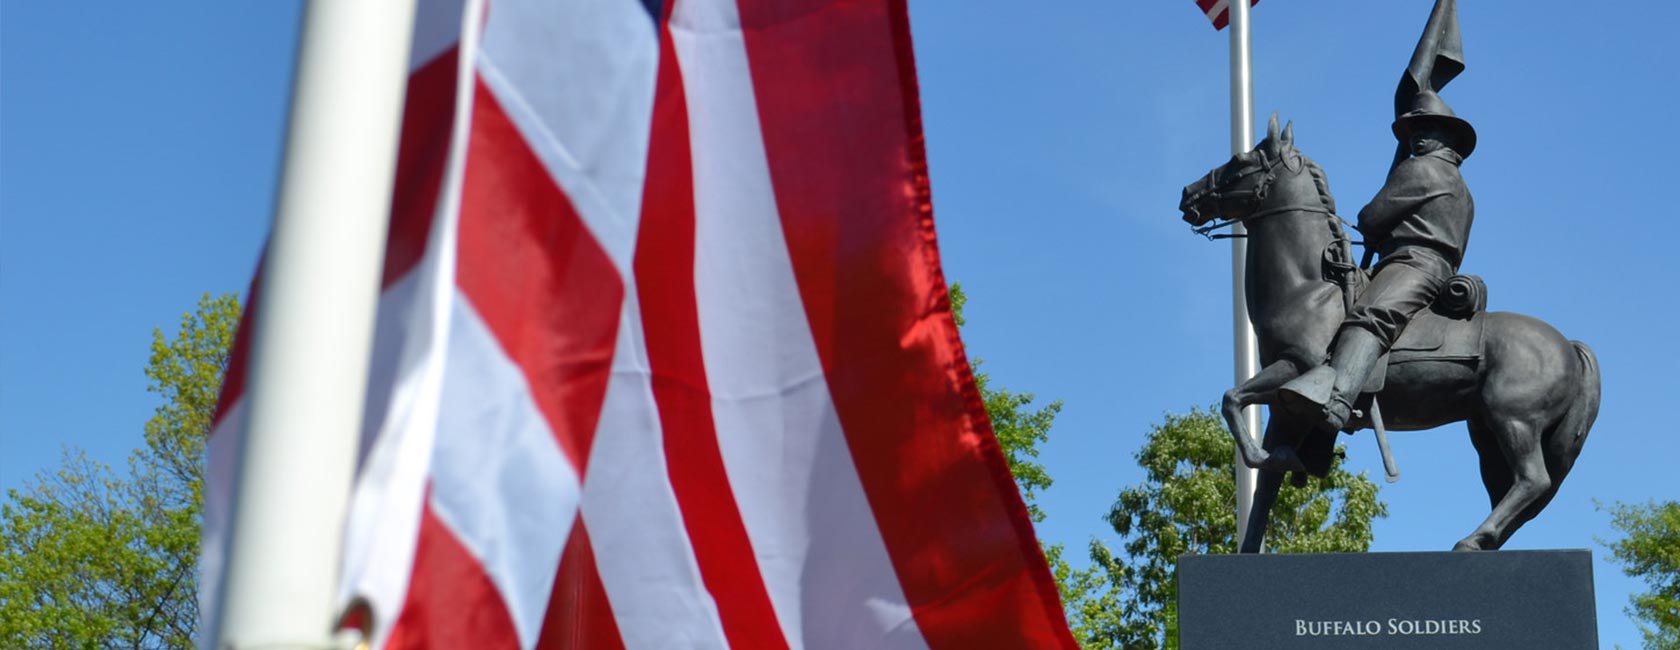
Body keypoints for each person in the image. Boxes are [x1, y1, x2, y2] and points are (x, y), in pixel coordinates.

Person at [1277, 89, 1476, 432]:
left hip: (1411, 265)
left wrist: (1375, 227)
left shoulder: (1423, 170)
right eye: (1415, 130)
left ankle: (1338, 399)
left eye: (1426, 129)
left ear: (1447, 136)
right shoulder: (1463, 189)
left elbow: (1370, 218)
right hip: (1431, 269)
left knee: (1371, 316)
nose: (1417, 136)